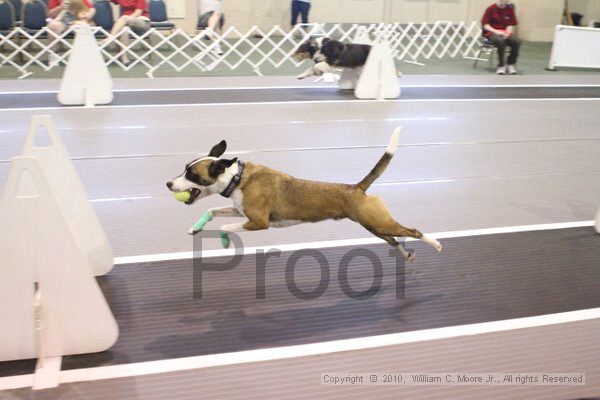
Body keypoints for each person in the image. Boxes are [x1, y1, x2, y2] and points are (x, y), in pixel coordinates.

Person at [47, 0, 95, 67]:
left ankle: (83, 56)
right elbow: (50, 14)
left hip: (76, 20)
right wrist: (60, 7)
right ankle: (53, 56)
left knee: (83, 26)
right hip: (61, 22)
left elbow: (91, 9)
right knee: (53, 26)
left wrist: (87, 15)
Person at [481, 0, 520, 75]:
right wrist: (497, 31)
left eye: (505, 3)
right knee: (501, 41)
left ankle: (510, 64)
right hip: (492, 32)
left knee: (516, 42)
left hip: (504, 32)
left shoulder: (510, 9)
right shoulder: (490, 9)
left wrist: (508, 32)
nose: (503, 4)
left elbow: (510, 24)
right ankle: (501, 66)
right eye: (502, 2)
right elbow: (486, 26)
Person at [109, 0, 150, 65]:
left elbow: (138, 13)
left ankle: (110, 38)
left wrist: (127, 19)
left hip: (142, 21)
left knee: (124, 18)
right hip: (127, 22)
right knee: (124, 30)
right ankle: (124, 58)